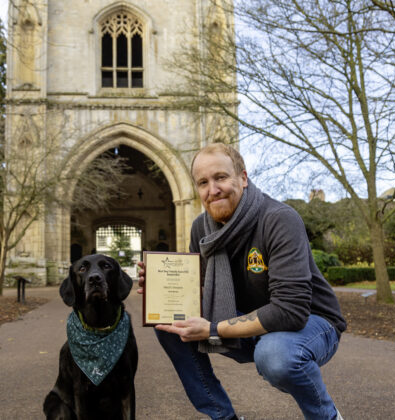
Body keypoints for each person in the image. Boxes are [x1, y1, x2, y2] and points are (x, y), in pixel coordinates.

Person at [137, 143, 346, 420]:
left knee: (276, 356)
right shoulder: (202, 227)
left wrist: (213, 329)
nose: (213, 190)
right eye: (203, 182)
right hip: (249, 322)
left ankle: (326, 416)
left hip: (312, 323)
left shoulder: (279, 219)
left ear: (243, 178)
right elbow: (198, 287)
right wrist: (161, 285)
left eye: (221, 177)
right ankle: (224, 417)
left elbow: (290, 311)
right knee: (168, 320)